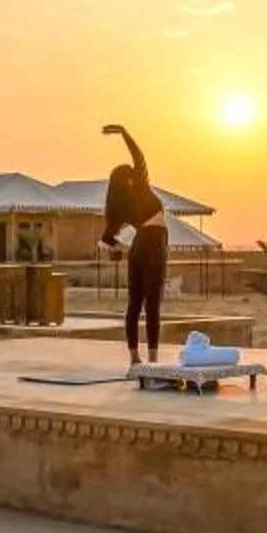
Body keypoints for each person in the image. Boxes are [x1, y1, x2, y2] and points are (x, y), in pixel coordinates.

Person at [100, 123, 168, 365]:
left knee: (134, 304)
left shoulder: (120, 205)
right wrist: (124, 132)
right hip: (154, 245)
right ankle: (152, 361)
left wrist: (122, 249)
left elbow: (106, 238)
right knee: (152, 306)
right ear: (130, 177)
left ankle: (134, 358)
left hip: (139, 248)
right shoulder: (140, 186)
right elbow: (139, 156)